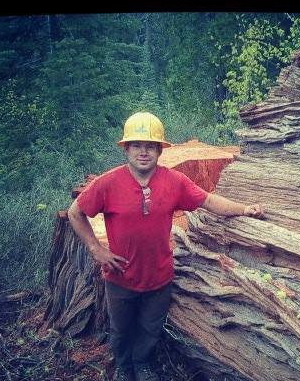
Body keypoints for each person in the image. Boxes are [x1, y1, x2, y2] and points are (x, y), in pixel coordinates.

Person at [68, 112, 263, 381]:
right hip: (120, 277)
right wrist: (95, 249)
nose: (143, 152)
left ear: (160, 150)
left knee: (150, 327)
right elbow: (75, 213)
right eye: (137, 145)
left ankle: (143, 364)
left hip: (159, 277)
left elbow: (208, 201)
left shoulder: (174, 181)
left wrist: (244, 209)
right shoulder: (108, 183)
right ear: (126, 148)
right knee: (121, 329)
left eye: (150, 146)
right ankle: (124, 368)